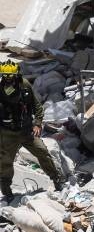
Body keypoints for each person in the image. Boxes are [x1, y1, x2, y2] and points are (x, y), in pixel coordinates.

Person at [0, 60, 64, 200]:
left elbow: (37, 106)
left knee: (43, 152)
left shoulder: (25, 85)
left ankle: (57, 181)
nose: (8, 79)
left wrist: (38, 123)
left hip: (27, 131)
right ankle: (6, 191)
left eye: (11, 76)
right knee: (5, 163)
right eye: (5, 76)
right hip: (7, 134)